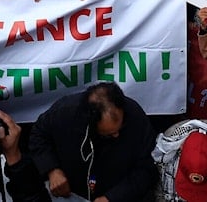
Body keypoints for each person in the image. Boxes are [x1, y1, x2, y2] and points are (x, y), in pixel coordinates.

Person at [29, 82, 157, 202]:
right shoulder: (64, 112)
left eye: (120, 128)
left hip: (120, 195)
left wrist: (112, 197)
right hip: (72, 193)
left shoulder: (136, 117)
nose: (117, 135)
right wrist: (52, 169)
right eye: (109, 134)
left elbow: (147, 168)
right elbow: (38, 136)